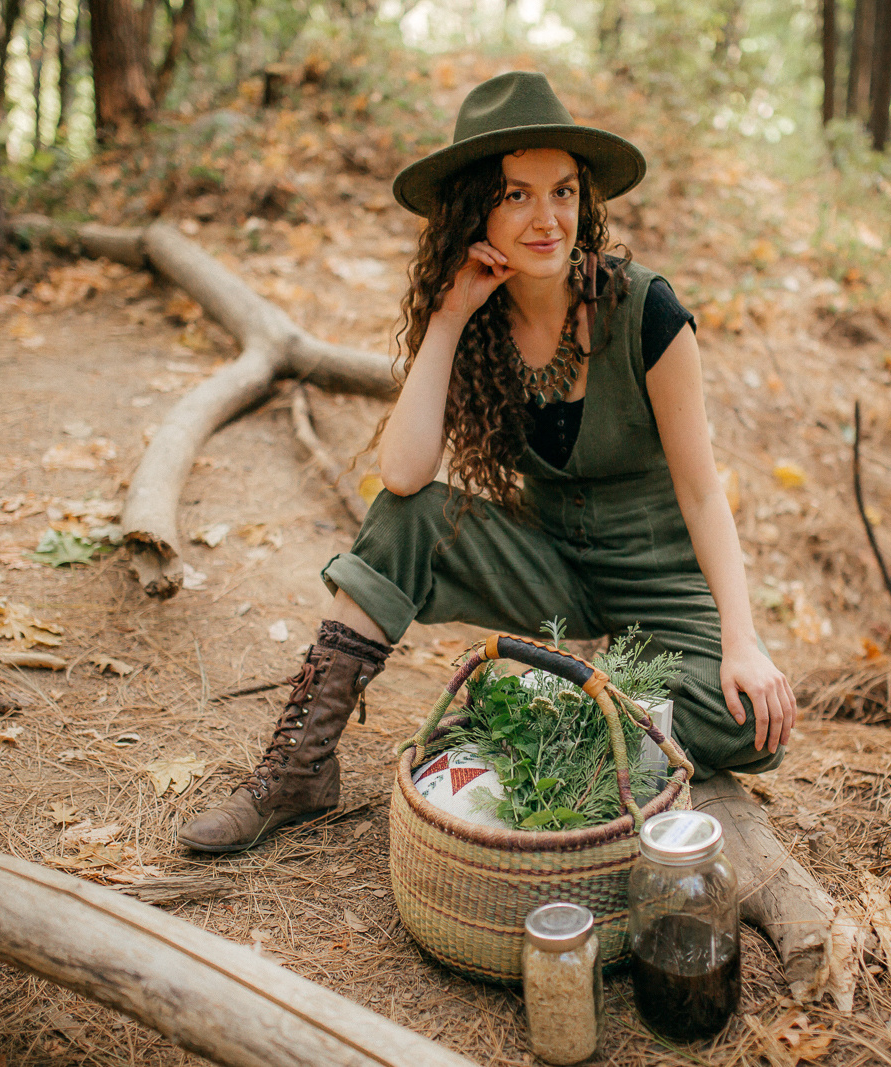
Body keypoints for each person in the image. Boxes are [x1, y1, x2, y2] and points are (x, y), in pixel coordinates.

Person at [178, 71, 796, 853]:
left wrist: (741, 640)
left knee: (752, 723)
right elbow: (402, 477)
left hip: (664, 585)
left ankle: (543, 707)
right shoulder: (478, 319)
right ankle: (299, 770)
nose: (548, 219)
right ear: (477, 209)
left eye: (564, 193)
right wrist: (448, 315)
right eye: (516, 196)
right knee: (409, 519)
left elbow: (706, 496)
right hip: (552, 570)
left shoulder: (647, 311)